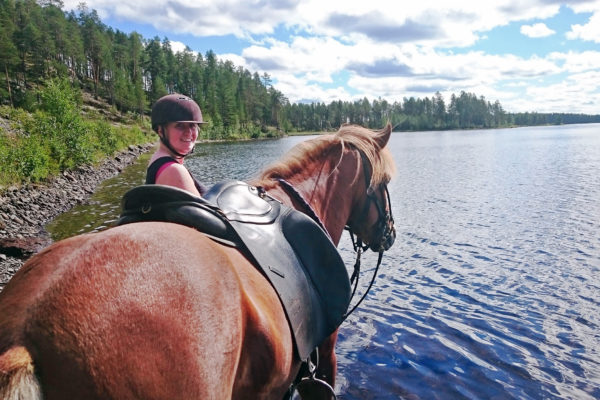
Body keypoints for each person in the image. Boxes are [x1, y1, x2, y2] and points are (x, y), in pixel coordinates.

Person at [146, 94, 208, 197]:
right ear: (161, 131)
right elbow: (207, 212)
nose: (188, 133)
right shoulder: (173, 171)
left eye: (192, 125)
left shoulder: (158, 160)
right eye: (180, 125)